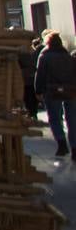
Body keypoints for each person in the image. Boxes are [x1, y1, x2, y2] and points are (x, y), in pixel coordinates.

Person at [35, 31, 76, 159]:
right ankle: (74, 147)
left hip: (52, 91)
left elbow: (40, 74)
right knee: (72, 119)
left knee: (54, 118)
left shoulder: (44, 56)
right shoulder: (69, 57)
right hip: (70, 90)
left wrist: (38, 91)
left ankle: (61, 143)